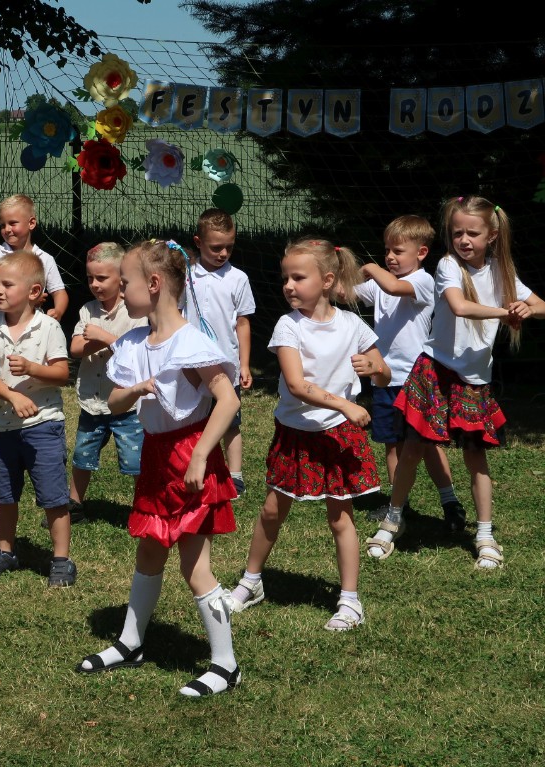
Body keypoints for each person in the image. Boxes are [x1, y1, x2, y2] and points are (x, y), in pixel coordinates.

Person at [75, 240, 241, 698]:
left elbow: (227, 400)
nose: (120, 290)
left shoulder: (191, 342)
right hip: (155, 458)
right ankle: (131, 643)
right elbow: (114, 402)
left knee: (195, 567)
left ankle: (226, 665)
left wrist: (202, 454)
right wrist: (135, 389)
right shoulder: (132, 343)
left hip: (190, 458)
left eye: (124, 282)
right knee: (149, 552)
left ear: (153, 284)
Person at [366, 196, 544, 568]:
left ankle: (485, 535)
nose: (463, 240)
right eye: (457, 232)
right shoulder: (448, 265)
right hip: (435, 370)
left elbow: (540, 304)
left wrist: (526, 308)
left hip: (474, 381)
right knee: (412, 448)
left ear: (491, 235)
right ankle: (393, 520)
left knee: (476, 457)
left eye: (472, 233)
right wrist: (506, 311)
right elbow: (460, 306)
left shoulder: (502, 272)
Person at [228, 237, 389, 631]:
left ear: (327, 280)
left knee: (341, 518)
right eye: (286, 278)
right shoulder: (288, 325)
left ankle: (350, 601)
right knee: (272, 510)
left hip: (338, 436)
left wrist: (376, 369)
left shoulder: (353, 325)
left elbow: (384, 373)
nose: (289, 285)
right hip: (296, 433)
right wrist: (346, 404)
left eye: (298, 278)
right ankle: (251, 582)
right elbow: (297, 386)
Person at [351, 215, 464, 527]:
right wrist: (331, 273)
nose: (390, 256)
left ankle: (450, 502)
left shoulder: (422, 282)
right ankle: (399, 506)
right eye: (387, 250)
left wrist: (370, 267)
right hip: (383, 377)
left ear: (421, 253)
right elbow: (347, 294)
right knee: (392, 443)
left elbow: (392, 285)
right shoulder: (381, 284)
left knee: (427, 445)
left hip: (417, 380)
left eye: (398, 251)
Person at [0, 250, 75, 587]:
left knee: (53, 496)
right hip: (3, 428)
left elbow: (62, 373)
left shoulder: (48, 327)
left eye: (7, 284)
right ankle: (5, 551)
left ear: (34, 292)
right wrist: (13, 396)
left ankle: (61, 559)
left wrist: (32, 368)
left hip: (44, 424)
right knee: (5, 495)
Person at [0, 194, 69, 465]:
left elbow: (60, 292)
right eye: (2, 225)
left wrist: (57, 311)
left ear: (31, 223)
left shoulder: (44, 259)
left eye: (13, 223)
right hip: (0, 328)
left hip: (29, 328)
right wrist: (9, 293)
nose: (7, 229)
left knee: (28, 375)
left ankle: (33, 425)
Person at [56, 241, 146, 526]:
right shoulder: (88, 310)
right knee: (82, 455)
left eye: (102, 278)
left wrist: (102, 337)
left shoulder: (135, 313)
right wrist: (100, 340)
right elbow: (75, 348)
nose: (95, 284)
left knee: (136, 460)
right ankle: (74, 504)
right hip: (92, 401)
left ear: (121, 278)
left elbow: (135, 354)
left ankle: (143, 509)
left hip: (126, 405)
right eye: (90, 278)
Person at [181, 209, 255, 497]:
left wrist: (244, 364)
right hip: (190, 364)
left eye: (229, 247)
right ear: (198, 242)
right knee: (192, 419)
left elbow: (243, 323)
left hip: (226, 366)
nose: (223, 253)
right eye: (216, 247)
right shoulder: (186, 275)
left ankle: (234, 476)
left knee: (230, 422)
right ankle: (193, 467)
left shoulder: (238, 278)